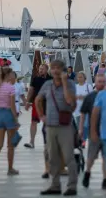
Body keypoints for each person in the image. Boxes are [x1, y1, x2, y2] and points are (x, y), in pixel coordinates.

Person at [35, 60, 78, 196]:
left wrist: (64, 83)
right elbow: (37, 99)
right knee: (52, 157)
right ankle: (55, 185)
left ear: (63, 70)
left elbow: (70, 101)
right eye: (53, 68)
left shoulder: (70, 84)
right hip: (50, 126)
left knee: (69, 157)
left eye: (58, 68)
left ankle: (72, 186)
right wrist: (41, 115)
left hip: (65, 126)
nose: (55, 70)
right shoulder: (47, 84)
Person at [0, 67, 19, 178]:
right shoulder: (10, 88)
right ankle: (10, 169)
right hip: (8, 115)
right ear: (8, 75)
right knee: (10, 145)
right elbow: (12, 106)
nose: (13, 76)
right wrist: (16, 120)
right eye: (11, 74)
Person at [79, 74, 106, 189]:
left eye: (103, 82)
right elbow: (83, 114)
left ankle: (105, 179)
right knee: (91, 156)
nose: (101, 84)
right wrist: (81, 129)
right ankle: (87, 172)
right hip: (94, 131)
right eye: (99, 81)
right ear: (95, 82)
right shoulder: (90, 97)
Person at [24, 64, 52, 149]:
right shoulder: (35, 79)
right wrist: (27, 102)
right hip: (36, 104)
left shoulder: (51, 79)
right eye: (40, 69)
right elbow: (31, 90)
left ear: (47, 70)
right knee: (33, 122)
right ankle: (31, 142)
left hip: (47, 104)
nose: (40, 70)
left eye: (42, 69)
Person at [74, 71, 93, 146]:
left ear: (85, 78)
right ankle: (81, 140)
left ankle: (84, 140)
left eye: (81, 77)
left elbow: (91, 97)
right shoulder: (75, 87)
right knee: (79, 127)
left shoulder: (88, 86)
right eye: (78, 77)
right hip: (77, 110)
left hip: (87, 110)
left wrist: (84, 97)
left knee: (85, 126)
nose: (79, 78)